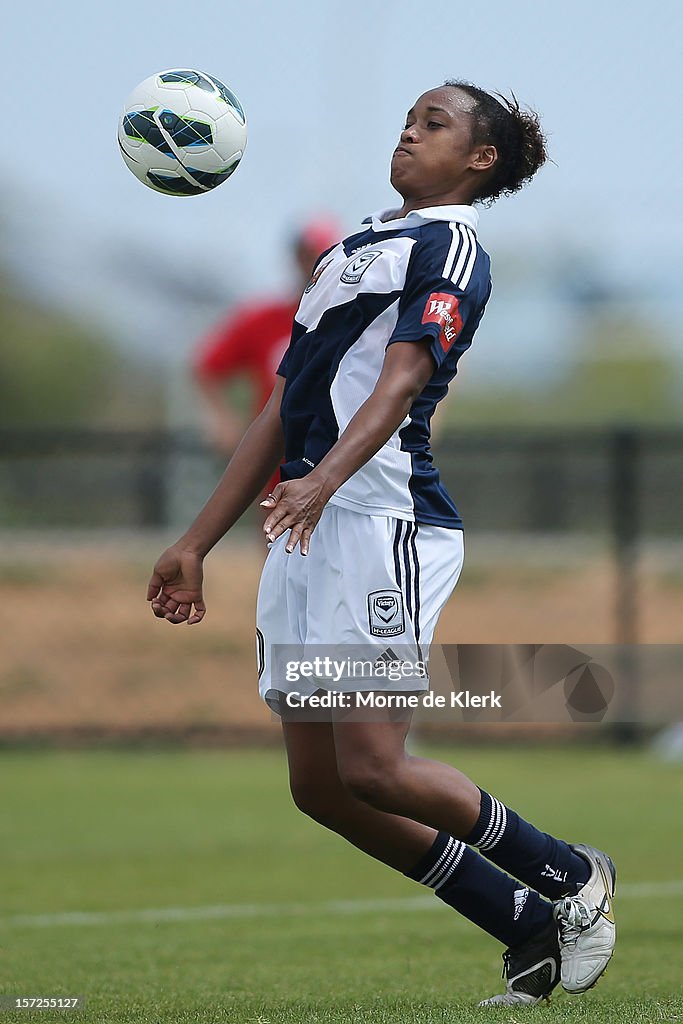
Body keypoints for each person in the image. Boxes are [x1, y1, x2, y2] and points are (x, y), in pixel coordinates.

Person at [147, 80, 617, 1007]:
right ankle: (521, 923)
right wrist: (196, 539)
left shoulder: (451, 245)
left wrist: (324, 481)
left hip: (377, 524)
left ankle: (568, 876)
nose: (409, 129)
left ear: (479, 159)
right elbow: (282, 401)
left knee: (373, 764)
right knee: (323, 789)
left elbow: (404, 378)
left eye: (434, 122)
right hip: (305, 528)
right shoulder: (355, 245)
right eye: (409, 117)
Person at [193, 217, 342, 456]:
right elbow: (208, 366)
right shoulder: (264, 319)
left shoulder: (353, 317)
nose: (312, 263)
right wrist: (222, 419)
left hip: (337, 459)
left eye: (320, 255)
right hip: (274, 461)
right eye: (305, 254)